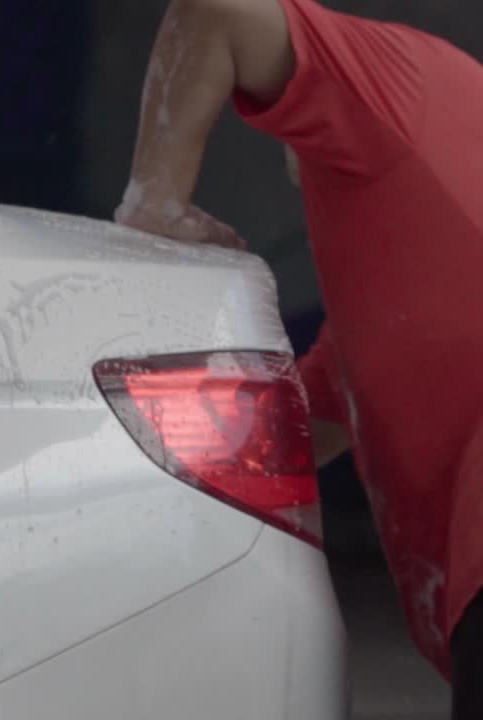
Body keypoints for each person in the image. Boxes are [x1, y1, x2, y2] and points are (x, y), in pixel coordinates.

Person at [114, 0, 483, 715]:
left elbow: (214, 9)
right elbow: (281, 441)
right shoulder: (387, 322)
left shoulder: (399, 88)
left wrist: (152, 203)